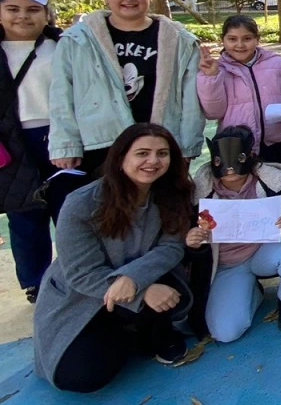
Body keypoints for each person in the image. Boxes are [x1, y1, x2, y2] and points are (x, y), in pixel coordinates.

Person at [33, 123, 194, 393]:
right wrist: (141, 292)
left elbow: (172, 247)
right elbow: (82, 273)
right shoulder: (81, 203)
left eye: (162, 153)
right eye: (142, 153)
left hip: (144, 276)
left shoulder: (172, 193)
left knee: (171, 291)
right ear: (120, 158)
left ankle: (147, 331)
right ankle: (127, 330)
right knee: (77, 377)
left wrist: (134, 278)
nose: (153, 161)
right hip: (85, 295)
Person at [47, 0, 204, 215]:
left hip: (159, 143)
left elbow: (190, 98)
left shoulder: (179, 40)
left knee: (161, 212)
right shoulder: (78, 40)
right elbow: (61, 94)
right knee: (107, 214)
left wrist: (187, 146)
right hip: (101, 142)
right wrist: (65, 144)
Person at [185, 126, 281, 343]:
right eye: (219, 161)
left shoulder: (270, 181)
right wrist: (194, 242)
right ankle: (252, 293)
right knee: (225, 333)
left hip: (262, 252)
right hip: (226, 265)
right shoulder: (201, 192)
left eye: (239, 158)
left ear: (249, 156)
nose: (230, 169)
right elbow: (194, 243)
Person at [0, 0, 60, 302]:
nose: (23, 16)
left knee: (69, 210)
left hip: (58, 137)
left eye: (32, 9)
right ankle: (35, 280)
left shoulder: (62, 46)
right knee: (24, 215)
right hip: (10, 142)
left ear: (45, 13)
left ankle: (75, 272)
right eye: (13, 8)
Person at [196, 15, 281, 165]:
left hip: (277, 143)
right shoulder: (217, 70)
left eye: (247, 38)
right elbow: (213, 112)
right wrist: (211, 77)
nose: (240, 45)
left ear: (257, 39)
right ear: (222, 40)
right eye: (232, 39)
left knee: (275, 180)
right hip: (236, 144)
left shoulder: (278, 64)